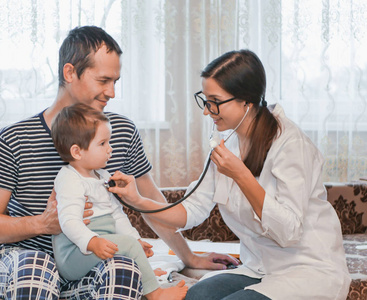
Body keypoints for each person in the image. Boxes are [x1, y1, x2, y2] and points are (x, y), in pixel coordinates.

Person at [0, 25, 233, 300]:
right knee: (36, 269)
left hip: (89, 259)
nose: (112, 92)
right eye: (103, 80)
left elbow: (149, 201)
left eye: (116, 82)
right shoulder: (14, 138)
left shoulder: (119, 131)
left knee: (123, 269)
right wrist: (42, 224)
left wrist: (188, 256)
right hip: (27, 258)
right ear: (70, 72)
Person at [108, 49, 351, 300]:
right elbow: (188, 212)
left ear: (246, 100)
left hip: (307, 268)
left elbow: (289, 232)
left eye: (214, 101)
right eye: (205, 100)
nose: (206, 111)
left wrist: (241, 175)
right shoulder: (226, 144)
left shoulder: (290, 145)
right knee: (196, 296)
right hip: (260, 267)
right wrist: (136, 200)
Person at [51, 102, 187, 299]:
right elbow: (69, 221)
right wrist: (92, 241)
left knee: (131, 244)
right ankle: (155, 294)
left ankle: (146, 275)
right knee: (128, 246)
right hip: (73, 255)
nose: (110, 149)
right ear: (77, 152)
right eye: (102, 143)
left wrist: (136, 239)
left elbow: (117, 214)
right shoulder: (68, 178)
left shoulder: (102, 175)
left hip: (95, 247)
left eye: (109, 142)